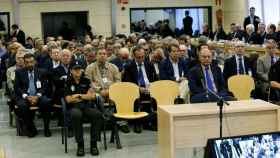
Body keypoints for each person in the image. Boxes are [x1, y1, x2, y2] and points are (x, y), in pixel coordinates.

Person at [64, 62, 104, 156]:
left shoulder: (86, 81)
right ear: (71, 71)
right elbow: (68, 100)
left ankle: (93, 144)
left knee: (97, 114)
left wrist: (78, 96)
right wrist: (84, 96)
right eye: (75, 70)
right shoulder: (68, 82)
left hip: (87, 106)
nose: (78, 71)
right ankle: (80, 145)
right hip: (74, 108)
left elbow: (92, 97)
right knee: (76, 115)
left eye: (79, 69)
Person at [14, 53, 52, 138]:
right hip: (25, 96)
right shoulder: (19, 72)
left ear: (35, 62)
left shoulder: (41, 72)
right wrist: (26, 96)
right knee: (22, 106)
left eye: (31, 62)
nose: (29, 64)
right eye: (27, 62)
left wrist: (37, 96)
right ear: (24, 63)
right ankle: (30, 127)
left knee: (46, 102)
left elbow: (45, 86)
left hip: (38, 95)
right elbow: (17, 87)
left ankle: (46, 127)